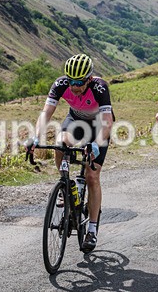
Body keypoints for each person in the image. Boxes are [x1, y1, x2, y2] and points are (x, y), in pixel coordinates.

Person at [31, 54, 113, 252]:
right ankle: (66, 184)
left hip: (98, 126)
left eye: (79, 82)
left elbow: (107, 121)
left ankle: (92, 229)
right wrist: (35, 138)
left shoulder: (100, 87)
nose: (74, 86)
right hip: (75, 121)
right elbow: (46, 113)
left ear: (89, 79)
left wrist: (96, 143)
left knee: (92, 176)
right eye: (71, 81)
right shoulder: (60, 84)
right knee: (60, 144)